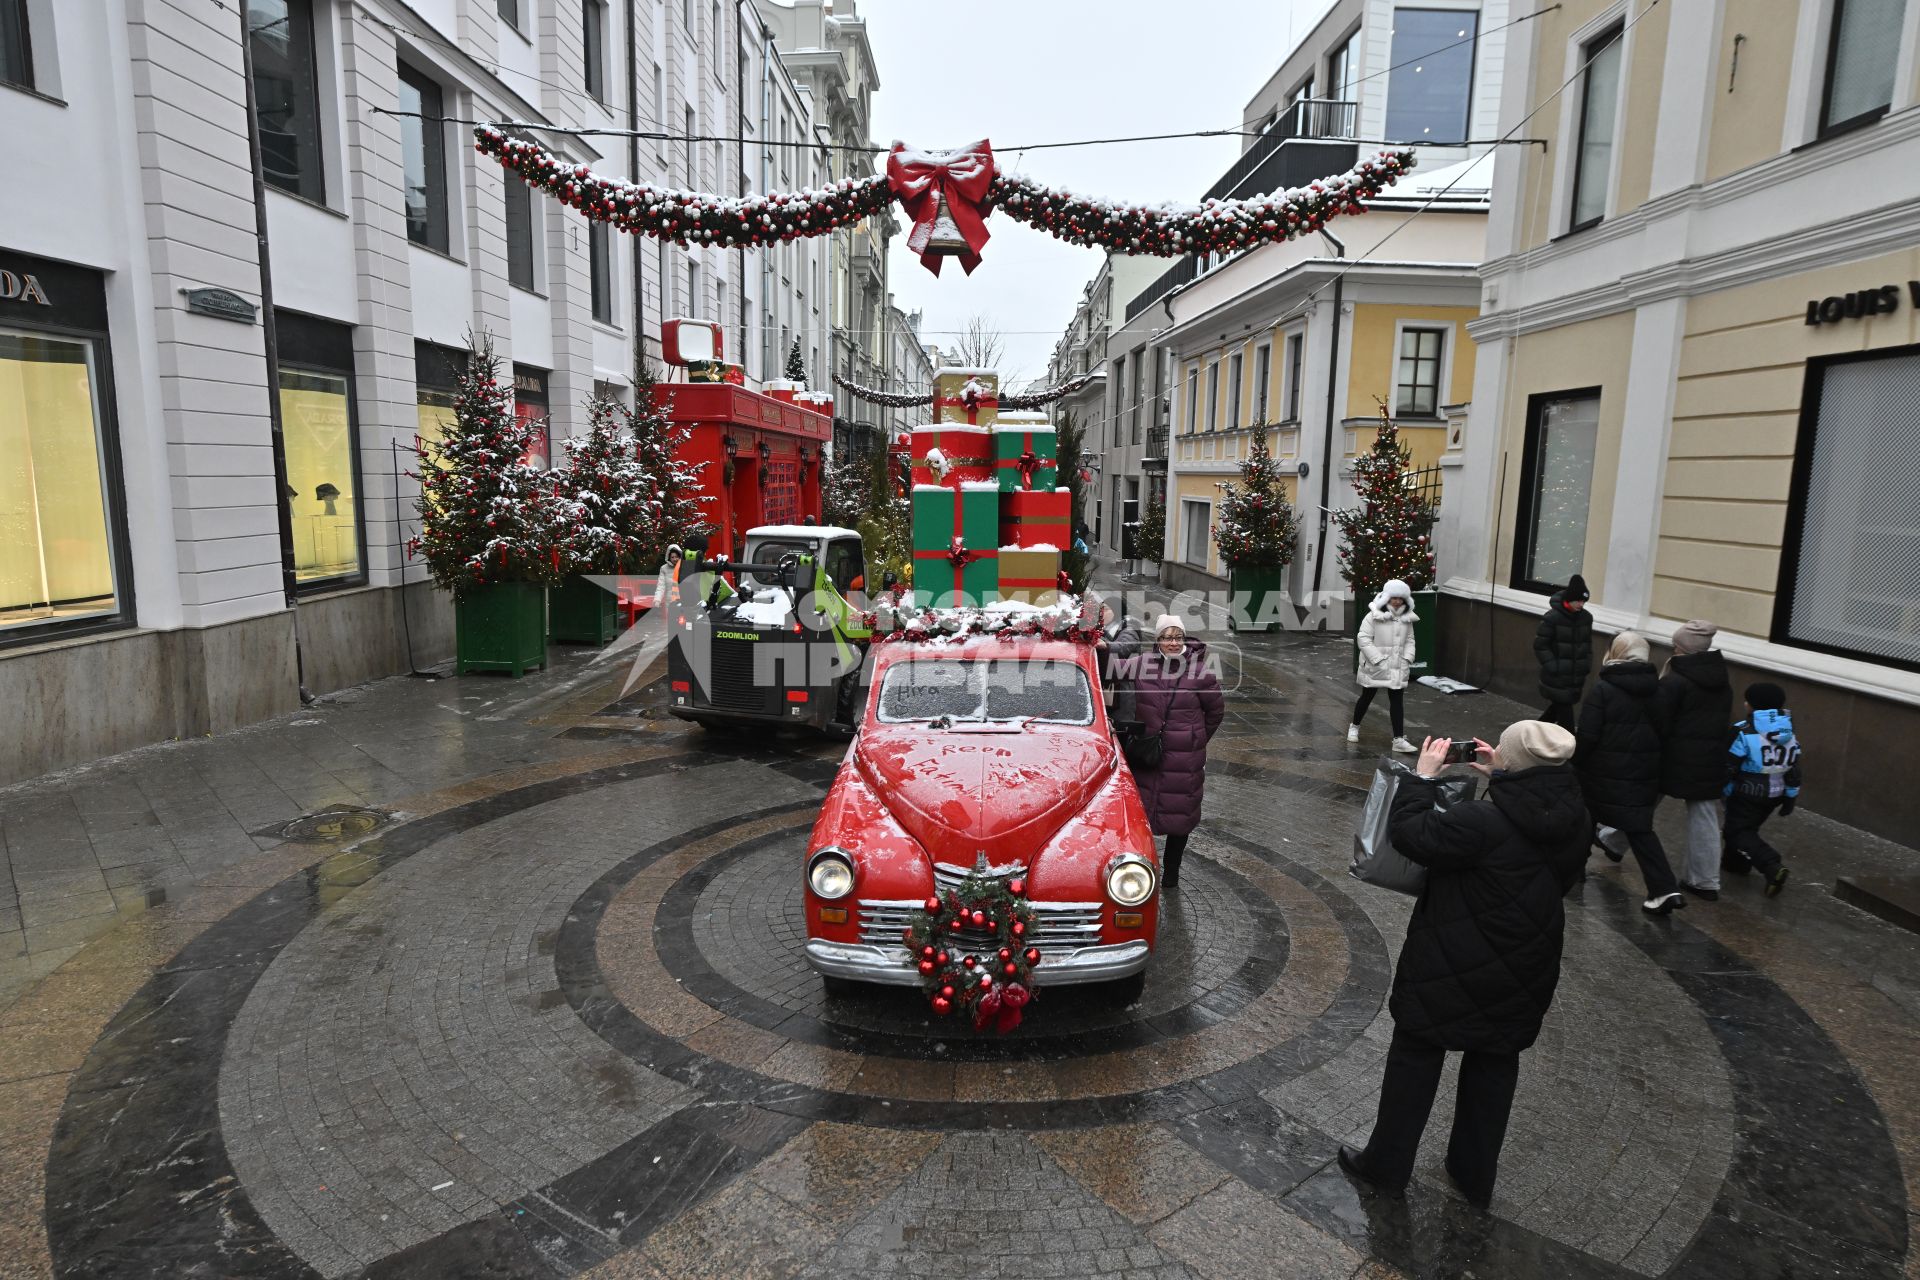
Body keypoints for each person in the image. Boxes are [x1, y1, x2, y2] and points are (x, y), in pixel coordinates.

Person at [1338, 722, 1589, 1210]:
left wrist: (1422, 778)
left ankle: (1385, 1166)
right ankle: (1474, 1175)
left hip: (1453, 957)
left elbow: (1412, 834)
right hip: (1525, 961)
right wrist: (1507, 774)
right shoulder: (1577, 818)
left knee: (1416, 1053)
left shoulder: (1480, 823)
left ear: (1515, 761)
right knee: (1494, 1064)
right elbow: (1535, 832)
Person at [1575, 632, 1684, 914]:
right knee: (1640, 830)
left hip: (1602, 771)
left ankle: (1573, 872)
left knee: (1586, 818)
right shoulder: (1658, 689)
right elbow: (1664, 732)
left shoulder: (1603, 689)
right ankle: (1665, 889)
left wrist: (1574, 761)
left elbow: (1588, 735)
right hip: (1643, 772)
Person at [1130, 615, 1225, 891]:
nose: (1173, 643)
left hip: (1185, 758)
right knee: (1141, 815)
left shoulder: (1200, 672)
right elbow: (1110, 668)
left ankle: (1171, 873)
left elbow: (1215, 711)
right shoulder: (1141, 665)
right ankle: (1139, 871)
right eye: (1167, 637)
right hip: (1149, 755)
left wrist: (1196, 739)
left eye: (1177, 637)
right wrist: (1097, 646)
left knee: (1180, 819)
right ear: (1157, 640)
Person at [1657, 620, 1732, 900]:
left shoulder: (1675, 681)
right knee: (1704, 817)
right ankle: (1705, 881)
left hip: (1673, 756)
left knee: (1641, 802)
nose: (1673, 649)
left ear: (1684, 649)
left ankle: (1611, 840)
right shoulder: (1720, 679)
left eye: (1676, 645)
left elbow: (1660, 718)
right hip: (1709, 758)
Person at [1723, 682, 1800, 897]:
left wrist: (1723, 789)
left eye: (1747, 700)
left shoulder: (1743, 731)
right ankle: (1735, 864)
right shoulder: (1789, 732)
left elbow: (1729, 765)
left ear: (1752, 705)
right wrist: (1790, 797)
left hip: (1746, 791)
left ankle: (1771, 865)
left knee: (1736, 831)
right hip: (1774, 793)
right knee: (1746, 827)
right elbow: (1794, 768)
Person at [1350, 579, 1418, 753]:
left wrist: (1408, 658)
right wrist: (1377, 659)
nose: (1397, 601)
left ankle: (1398, 739)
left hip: (1397, 666)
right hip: (1376, 666)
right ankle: (1354, 726)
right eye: (1393, 597)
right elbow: (1363, 639)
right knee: (1366, 696)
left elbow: (1410, 640)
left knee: (1397, 701)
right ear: (1387, 597)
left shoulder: (1406, 618)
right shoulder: (1373, 615)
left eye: (1400, 598)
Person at [1533, 575, 1594, 729]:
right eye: (1578, 600)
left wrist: (1586, 665)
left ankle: (1531, 734)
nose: (1581, 604)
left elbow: (1587, 645)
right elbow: (1541, 645)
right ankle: (1572, 748)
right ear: (1569, 599)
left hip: (1575, 677)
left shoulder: (1586, 618)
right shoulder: (1552, 618)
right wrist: (1554, 666)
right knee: (1567, 723)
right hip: (1556, 678)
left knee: (1554, 712)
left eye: (1584, 601)